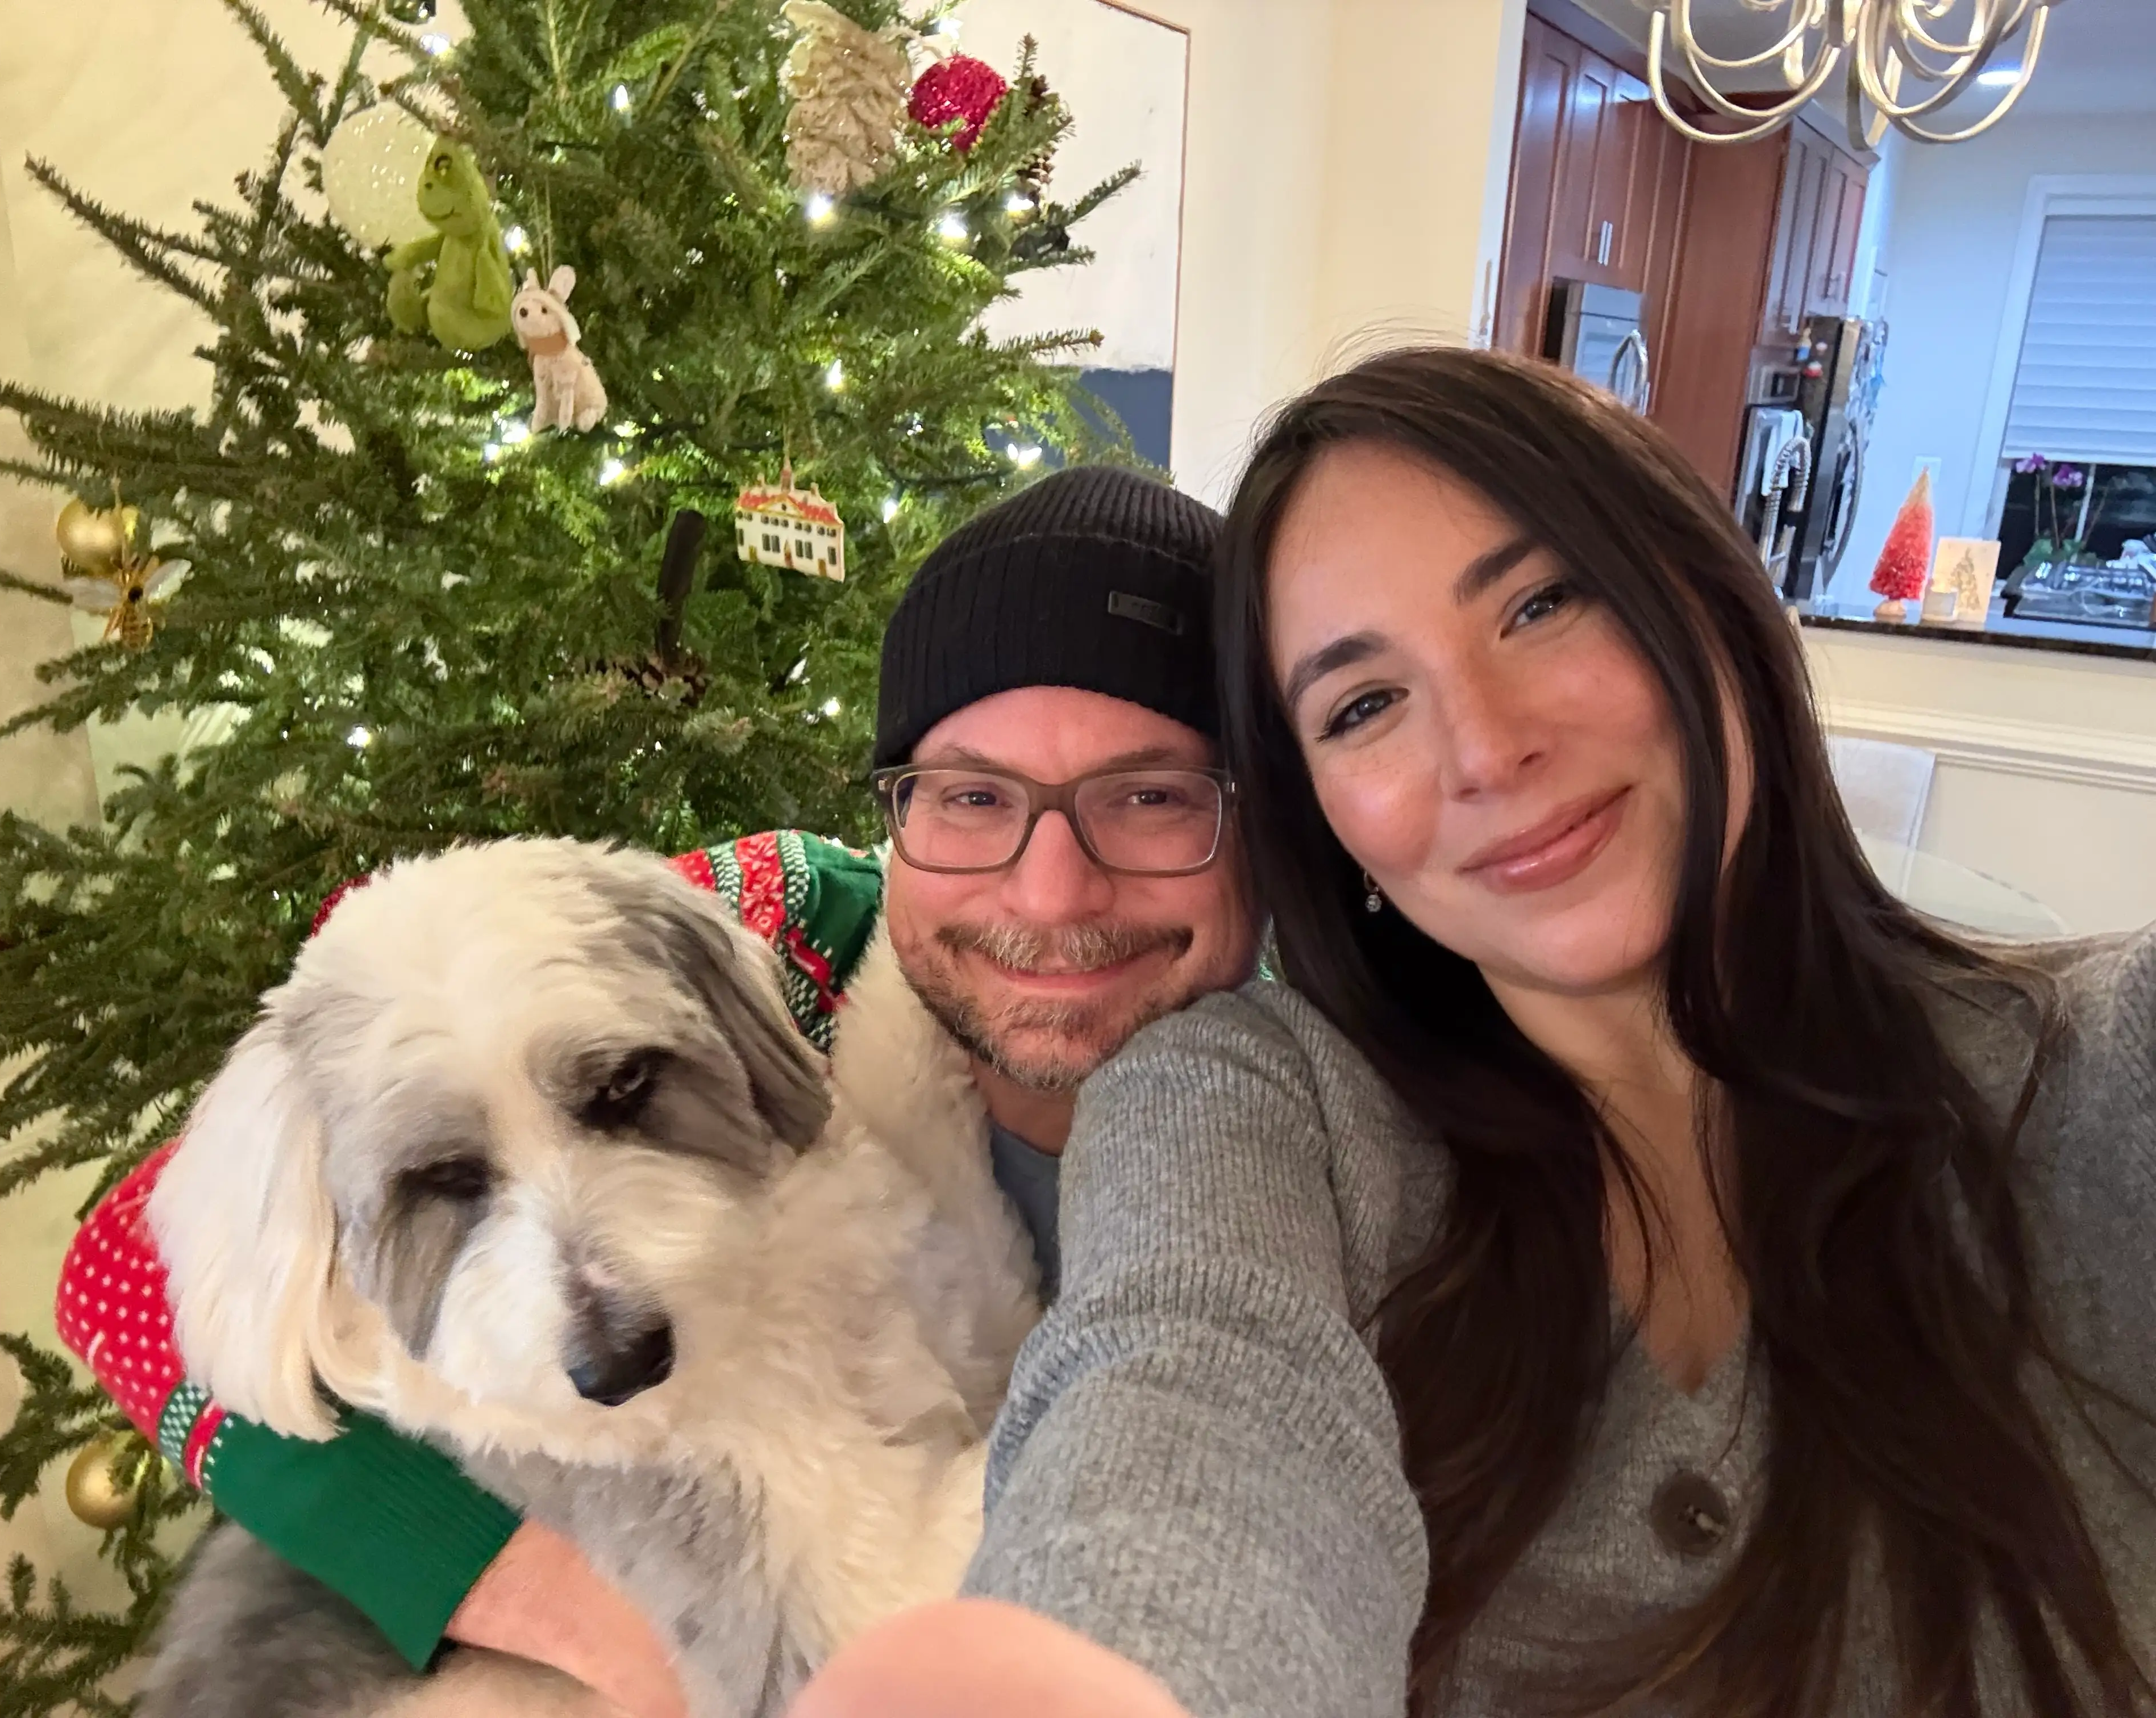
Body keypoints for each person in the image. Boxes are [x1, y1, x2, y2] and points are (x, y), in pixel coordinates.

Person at [789, 348, 2156, 1718]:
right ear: (1328, 810)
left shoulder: (2105, 1081)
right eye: (1365, 704)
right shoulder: (1250, 1109)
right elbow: (1187, 1385)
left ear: (1707, 596)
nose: (1487, 750)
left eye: (1543, 604)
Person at [53, 465, 1262, 1713]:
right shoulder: (780, 924)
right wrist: (540, 1596)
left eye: (1153, 797)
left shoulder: (1337, 1108)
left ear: (1269, 810)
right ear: (896, 803)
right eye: (968, 796)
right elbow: (122, 1275)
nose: (1047, 892)